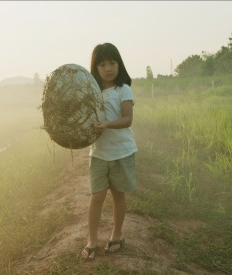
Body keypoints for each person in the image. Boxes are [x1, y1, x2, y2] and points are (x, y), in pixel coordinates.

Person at [81, 43, 138, 260]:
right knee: (96, 197)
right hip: (98, 153)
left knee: (117, 195)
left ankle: (116, 234)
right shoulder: (92, 93)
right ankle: (92, 240)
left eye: (112, 63)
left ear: (119, 64)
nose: (108, 68)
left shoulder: (123, 89)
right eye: (102, 64)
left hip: (122, 151)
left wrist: (106, 124)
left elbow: (127, 119)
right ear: (95, 68)